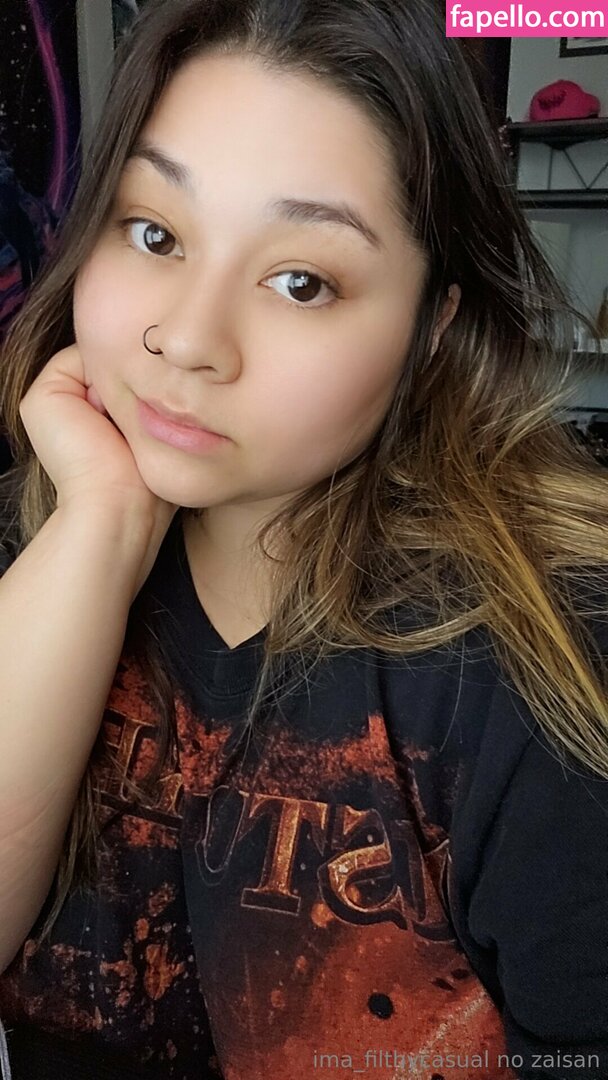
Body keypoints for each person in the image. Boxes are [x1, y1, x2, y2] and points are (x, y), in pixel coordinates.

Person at [0, 0, 606, 1077]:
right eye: (155, 233)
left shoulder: (542, 660)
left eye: (301, 281)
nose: (187, 338)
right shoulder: (35, 535)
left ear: (431, 330)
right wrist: (99, 526)